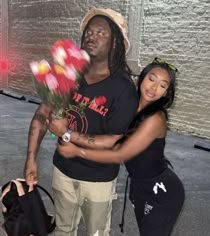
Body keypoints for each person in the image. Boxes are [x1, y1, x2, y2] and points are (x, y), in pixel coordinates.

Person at [24, 7, 138, 236]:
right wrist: (31, 159)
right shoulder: (68, 73)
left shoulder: (123, 88)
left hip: (98, 181)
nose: (90, 36)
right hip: (63, 172)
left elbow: (114, 141)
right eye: (88, 31)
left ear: (115, 42)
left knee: (96, 233)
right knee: (63, 230)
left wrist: (67, 135)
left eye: (100, 32)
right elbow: (41, 115)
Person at [56, 58, 185, 236]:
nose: (154, 88)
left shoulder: (155, 118)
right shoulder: (131, 105)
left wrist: (78, 150)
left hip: (161, 190)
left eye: (163, 86)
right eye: (151, 79)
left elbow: (120, 154)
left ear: (166, 93)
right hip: (139, 186)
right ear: (142, 78)